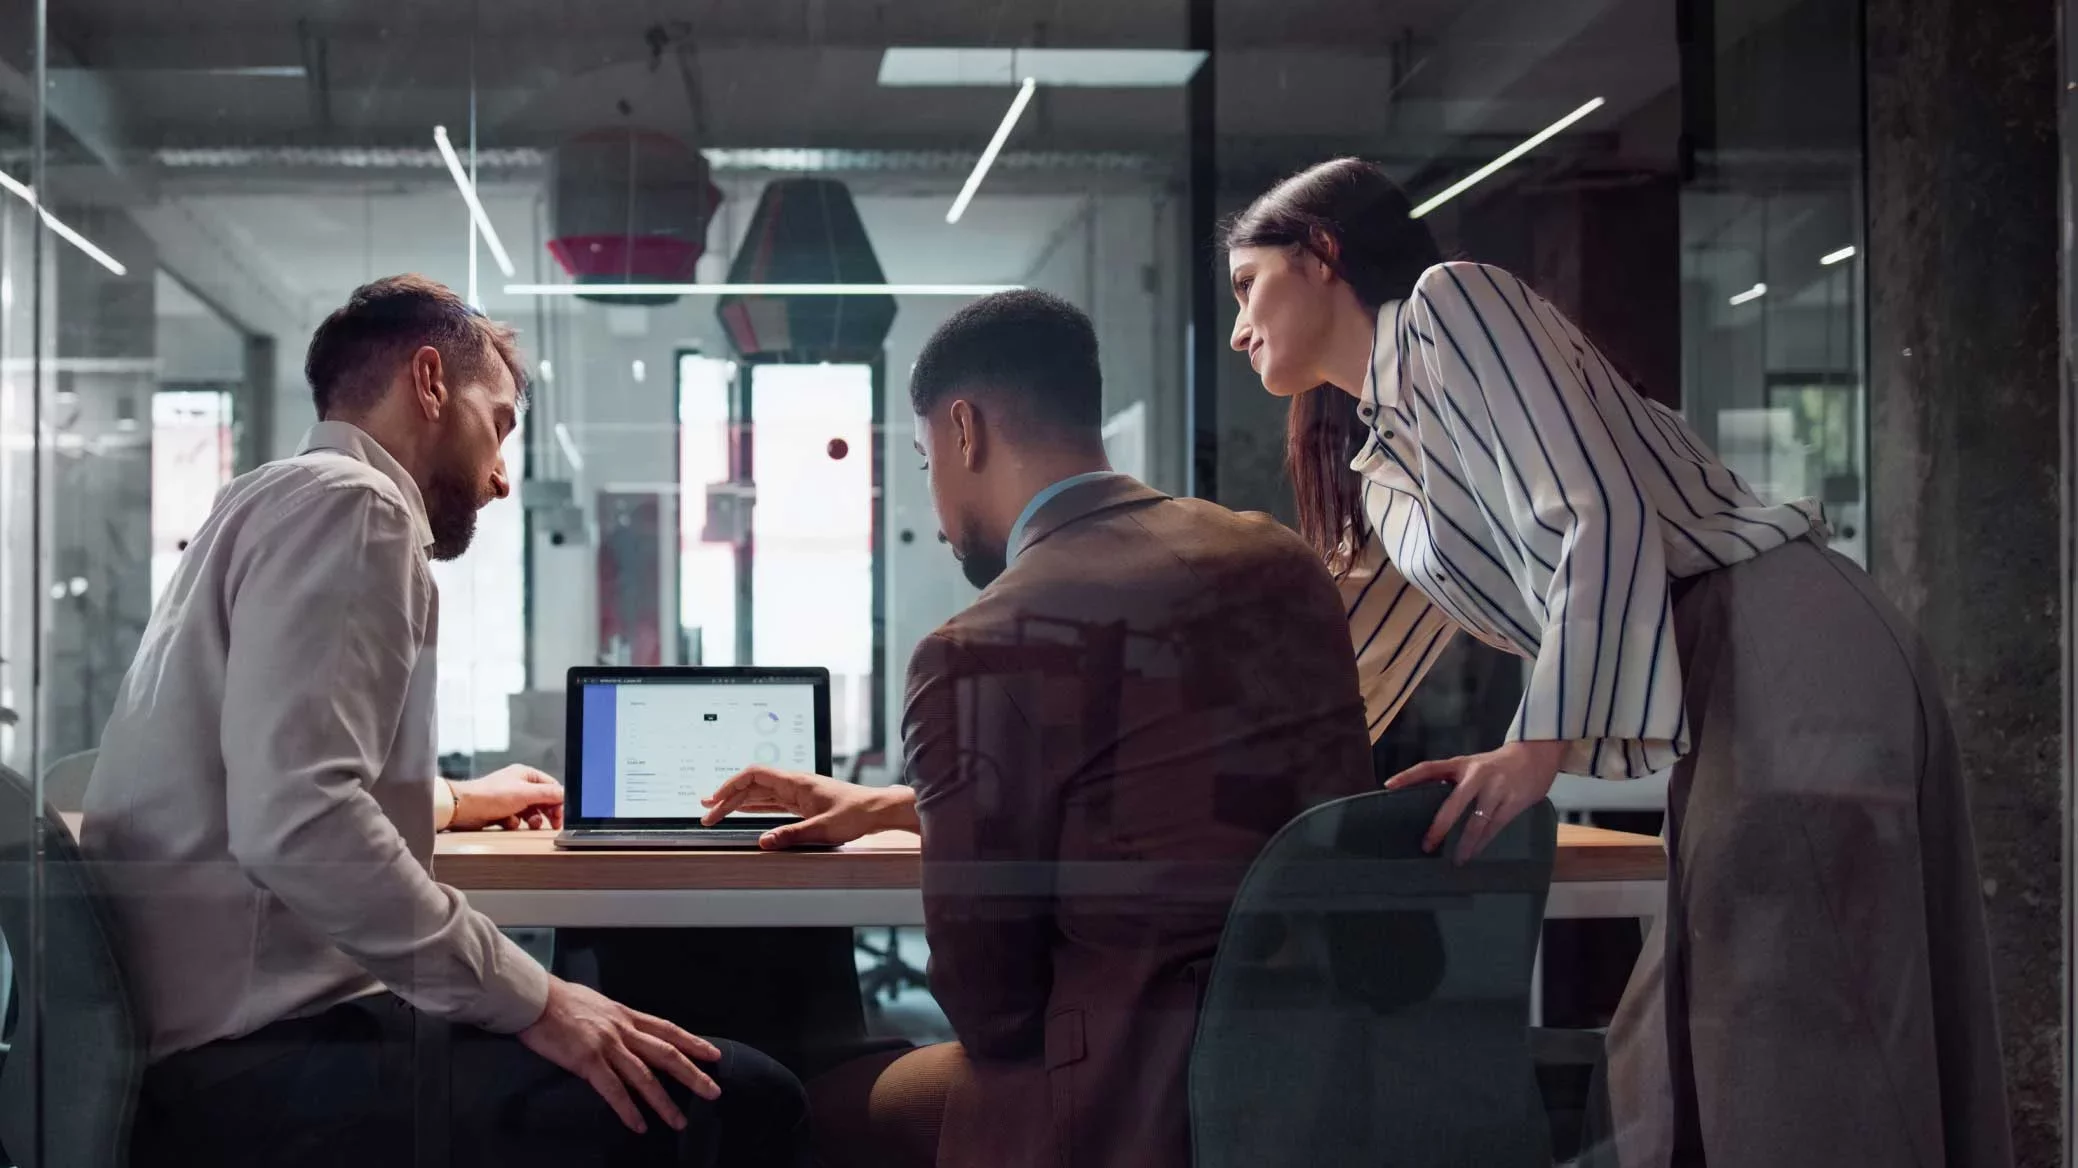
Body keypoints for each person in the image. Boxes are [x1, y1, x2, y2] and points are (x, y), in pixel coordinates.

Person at [1223, 157, 2011, 1167]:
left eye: (1247, 284)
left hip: (1777, 633)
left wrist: (1535, 747)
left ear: (1321, 253)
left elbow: (1596, 510)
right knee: (1685, 1054)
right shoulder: (1385, 470)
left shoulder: (1452, 307)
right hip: (1719, 678)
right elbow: (1353, 669)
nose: (1239, 328)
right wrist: (1226, 791)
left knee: (1799, 1036)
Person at [80, 275, 809, 1168]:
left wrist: (457, 800)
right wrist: (538, 1002)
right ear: (429, 382)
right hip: (255, 1068)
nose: (501, 478)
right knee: (745, 1096)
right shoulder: (358, 505)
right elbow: (297, 822)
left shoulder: (264, 498)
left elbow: (259, 776)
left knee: (615, 1021)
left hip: (189, 1051)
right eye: (499, 426)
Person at [695, 290, 1376, 1168]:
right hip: (1318, 1081)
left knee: (788, 1105)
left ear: (964, 431)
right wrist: (904, 806)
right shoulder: (1281, 562)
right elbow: (1188, 797)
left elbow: (994, 1012)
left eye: (924, 461)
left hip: (1116, 1110)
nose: (935, 506)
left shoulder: (978, 647)